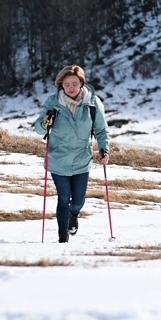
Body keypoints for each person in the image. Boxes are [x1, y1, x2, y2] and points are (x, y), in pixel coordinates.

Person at [33, 64, 110, 243]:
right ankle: (63, 237)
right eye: (67, 84)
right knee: (62, 198)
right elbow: (38, 128)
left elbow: (101, 130)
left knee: (77, 201)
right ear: (61, 85)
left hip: (82, 159)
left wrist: (104, 148)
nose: (71, 88)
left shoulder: (93, 103)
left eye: (75, 83)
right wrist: (45, 123)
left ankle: (74, 214)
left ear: (81, 83)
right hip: (58, 159)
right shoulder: (53, 103)